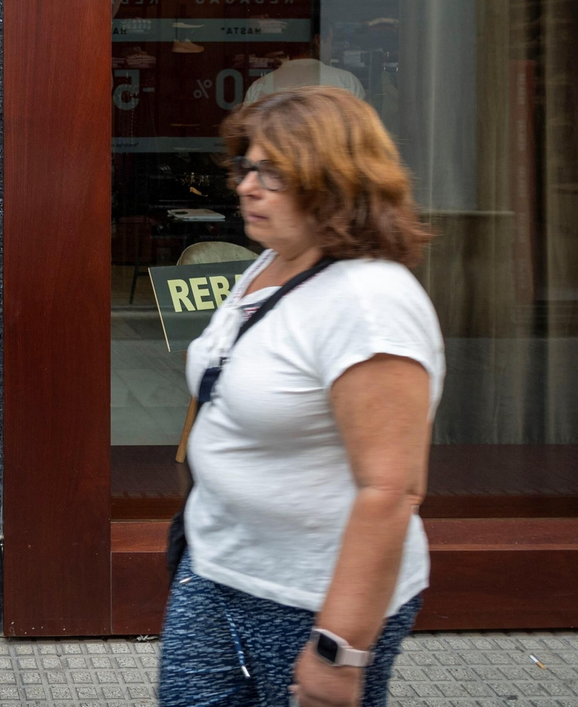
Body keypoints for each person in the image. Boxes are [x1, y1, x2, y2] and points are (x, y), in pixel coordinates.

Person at [159, 86, 441, 707]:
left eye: (274, 173)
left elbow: (391, 490)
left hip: (306, 596)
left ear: (333, 183)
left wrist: (338, 652)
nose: (246, 187)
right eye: (247, 167)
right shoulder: (272, 263)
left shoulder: (369, 305)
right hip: (215, 569)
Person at [245, 34, 364, 103]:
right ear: (318, 41)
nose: (332, 50)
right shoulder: (346, 81)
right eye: (331, 42)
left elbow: (248, 137)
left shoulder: (259, 86)